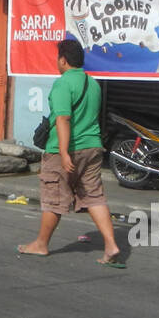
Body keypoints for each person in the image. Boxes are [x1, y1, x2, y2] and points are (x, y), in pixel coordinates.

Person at [18, 37, 125, 267]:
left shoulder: (63, 84)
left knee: (54, 197)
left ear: (63, 60)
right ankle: (110, 245)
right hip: (93, 147)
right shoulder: (93, 83)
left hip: (64, 150)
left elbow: (63, 118)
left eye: (58, 58)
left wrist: (65, 153)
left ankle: (40, 244)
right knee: (94, 197)